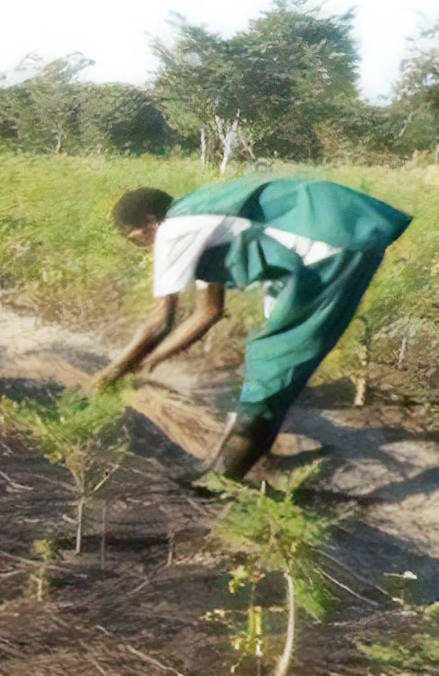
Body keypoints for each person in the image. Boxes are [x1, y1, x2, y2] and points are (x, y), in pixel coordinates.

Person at [93, 177, 411, 481]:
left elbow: (160, 321)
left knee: (273, 358)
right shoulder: (201, 220)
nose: (142, 248)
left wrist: (107, 377)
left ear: (150, 221)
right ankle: (253, 457)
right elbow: (209, 312)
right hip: (337, 233)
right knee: (273, 354)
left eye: (136, 238)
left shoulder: (174, 230)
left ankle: (221, 480)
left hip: (328, 241)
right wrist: (150, 363)